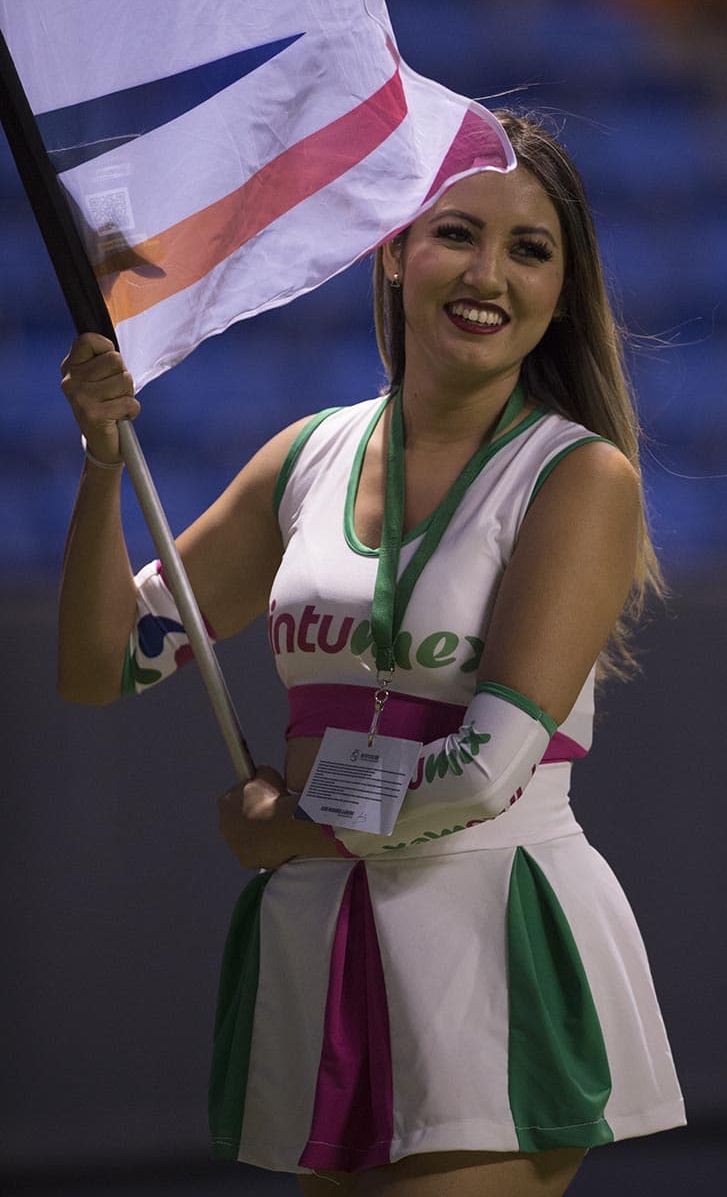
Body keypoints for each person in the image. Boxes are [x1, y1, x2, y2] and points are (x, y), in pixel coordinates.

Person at [58, 111, 685, 1197]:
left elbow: (487, 770)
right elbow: (101, 663)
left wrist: (292, 825)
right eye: (454, 233)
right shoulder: (306, 458)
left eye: (528, 249)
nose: (486, 273)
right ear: (393, 251)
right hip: (322, 931)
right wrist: (102, 462)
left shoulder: (577, 480)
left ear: (559, 289)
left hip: (487, 934)